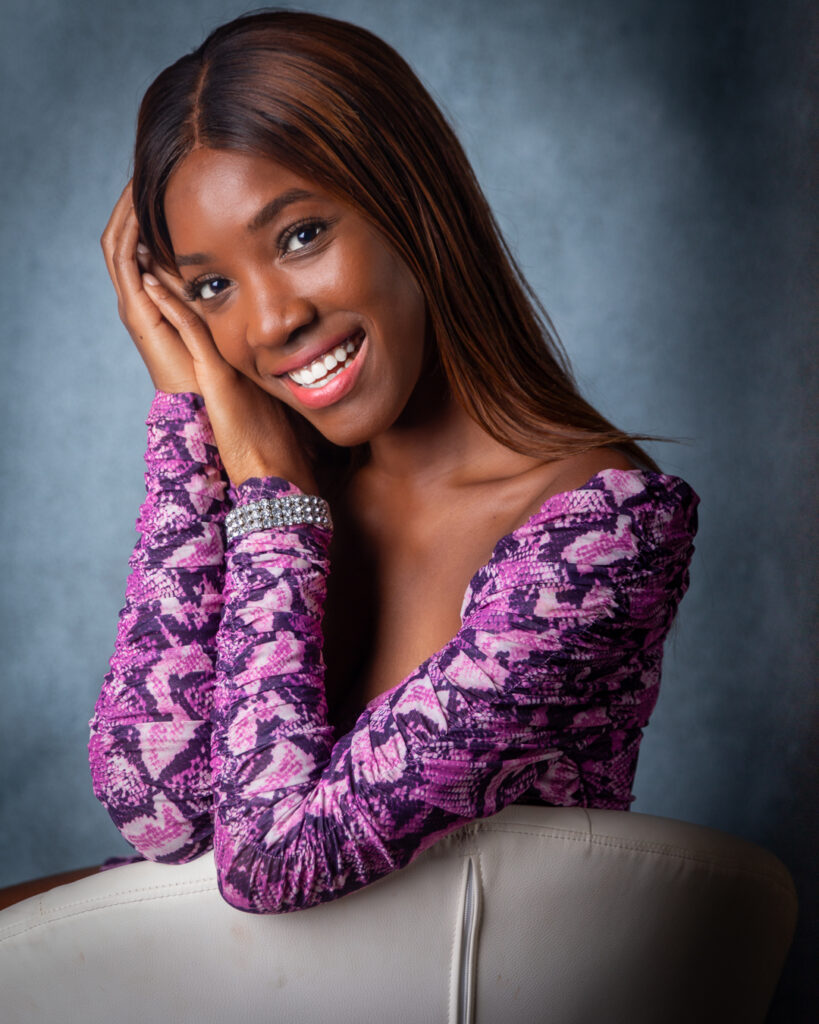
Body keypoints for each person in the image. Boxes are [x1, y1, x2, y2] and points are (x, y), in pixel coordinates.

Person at [89, 9, 698, 914]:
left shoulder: (600, 534)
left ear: (412, 200)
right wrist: (189, 419)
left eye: (299, 236)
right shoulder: (286, 501)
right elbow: (163, 812)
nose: (267, 324)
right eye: (212, 286)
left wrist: (268, 498)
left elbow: (269, 863)